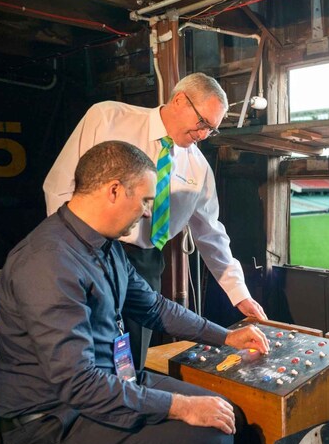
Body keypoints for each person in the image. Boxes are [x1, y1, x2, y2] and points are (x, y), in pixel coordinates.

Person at [0, 141, 271, 444]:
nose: (146, 211)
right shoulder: (48, 262)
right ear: (113, 190)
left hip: (104, 388)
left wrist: (226, 337)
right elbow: (79, 384)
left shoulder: (102, 245)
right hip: (53, 424)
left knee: (224, 413)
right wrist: (178, 408)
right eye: (143, 199)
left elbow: (155, 307)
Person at [43, 72, 267, 370]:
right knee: (85, 346)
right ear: (179, 100)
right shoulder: (107, 117)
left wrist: (240, 295)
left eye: (211, 130)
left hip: (146, 261)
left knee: (130, 358)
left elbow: (211, 235)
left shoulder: (198, 168)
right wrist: (68, 250)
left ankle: (127, 405)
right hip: (88, 247)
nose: (203, 135)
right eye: (202, 123)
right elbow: (59, 185)